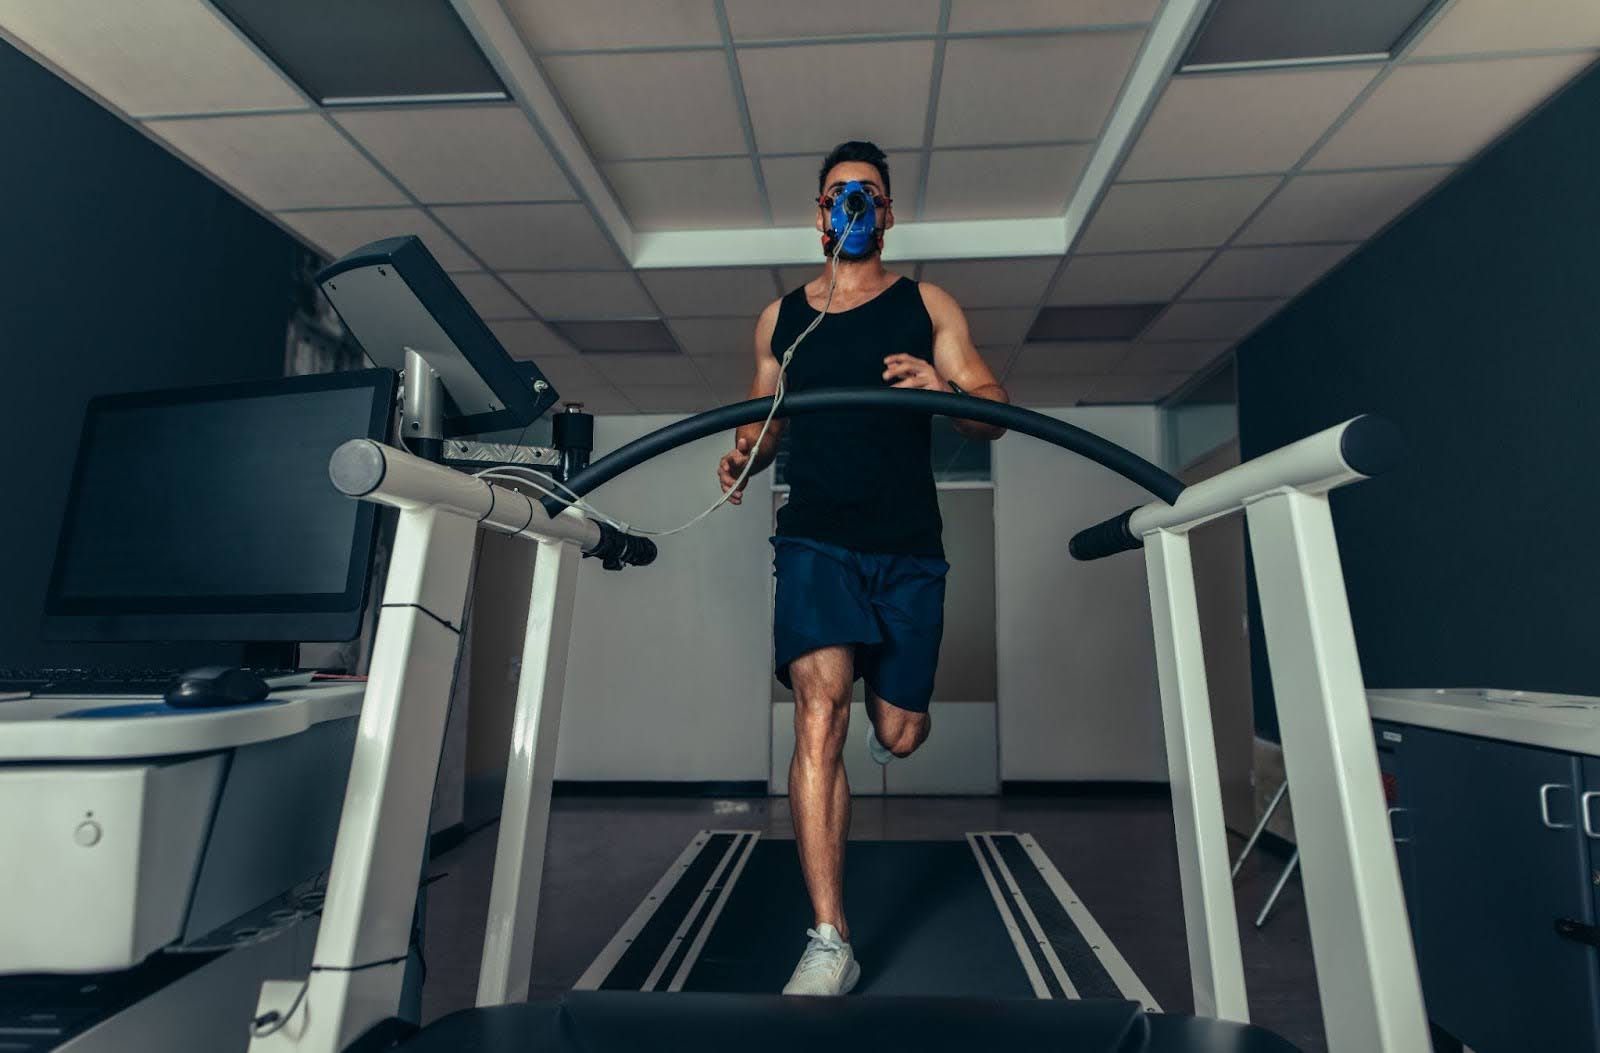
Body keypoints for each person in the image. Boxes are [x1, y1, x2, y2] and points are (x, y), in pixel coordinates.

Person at [715, 140, 1010, 997]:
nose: (852, 206)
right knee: (819, 715)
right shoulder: (780, 320)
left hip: (910, 546)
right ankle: (828, 937)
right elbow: (766, 427)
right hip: (815, 537)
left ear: (887, 215)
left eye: (868, 196)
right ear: (818, 216)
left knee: (898, 734)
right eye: (838, 194)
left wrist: (941, 388)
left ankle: (895, 696)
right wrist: (744, 457)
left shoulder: (928, 304)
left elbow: (991, 414)